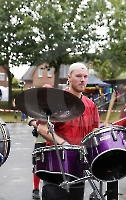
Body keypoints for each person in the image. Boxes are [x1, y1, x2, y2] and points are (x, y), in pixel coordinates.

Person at [32, 63, 100, 200]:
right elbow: (42, 128)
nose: (82, 80)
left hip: (78, 166)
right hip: (56, 166)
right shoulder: (56, 101)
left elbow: (94, 130)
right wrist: (63, 144)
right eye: (78, 76)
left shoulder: (91, 105)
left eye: (85, 76)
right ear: (69, 77)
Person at [28, 84, 53, 199]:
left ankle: (51, 188)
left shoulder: (56, 105)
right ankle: (36, 189)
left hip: (53, 140)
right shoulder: (36, 105)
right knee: (38, 165)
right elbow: (31, 120)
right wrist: (39, 125)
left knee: (52, 165)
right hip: (40, 140)